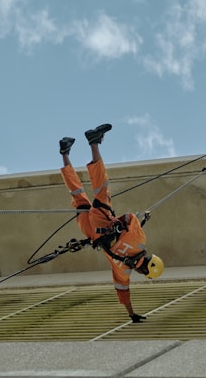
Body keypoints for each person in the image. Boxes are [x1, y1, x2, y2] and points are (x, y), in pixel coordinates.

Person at [59, 124, 164, 323]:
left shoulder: (139, 240)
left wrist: (117, 222)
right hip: (90, 231)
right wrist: (132, 315)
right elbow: (123, 293)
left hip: (102, 220)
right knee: (77, 195)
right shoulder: (123, 271)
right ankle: (64, 153)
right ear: (144, 271)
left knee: (101, 185)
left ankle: (94, 142)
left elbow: (128, 218)